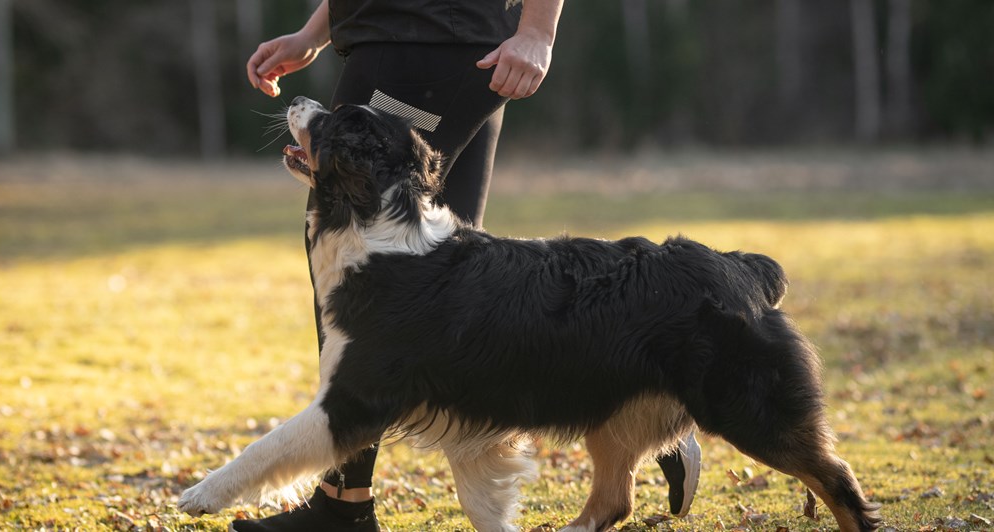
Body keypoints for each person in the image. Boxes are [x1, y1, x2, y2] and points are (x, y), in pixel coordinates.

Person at [238, 2, 700, 530]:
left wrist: (538, 30)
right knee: (448, 273)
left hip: (426, 42)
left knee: (359, 252)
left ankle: (342, 506)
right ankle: (639, 387)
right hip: (415, 37)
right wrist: (314, 30)